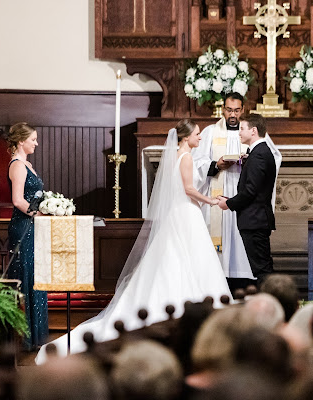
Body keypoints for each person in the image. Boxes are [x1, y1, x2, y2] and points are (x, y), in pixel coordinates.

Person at [36, 119, 232, 363]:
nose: (200, 138)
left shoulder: (176, 156)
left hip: (180, 213)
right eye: (197, 134)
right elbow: (188, 189)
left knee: (175, 259)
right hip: (186, 213)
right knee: (187, 258)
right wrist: (211, 200)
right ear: (185, 137)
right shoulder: (187, 157)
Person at [193, 93, 281, 287]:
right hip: (221, 188)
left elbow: (273, 158)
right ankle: (220, 278)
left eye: (236, 110)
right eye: (229, 110)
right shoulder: (210, 132)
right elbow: (196, 162)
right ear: (223, 109)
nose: (232, 114)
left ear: (243, 110)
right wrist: (217, 164)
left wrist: (248, 161)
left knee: (255, 256)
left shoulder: (256, 135)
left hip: (245, 200)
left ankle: (246, 279)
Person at [218, 113, 278, 285]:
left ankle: (270, 306)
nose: (239, 132)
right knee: (261, 267)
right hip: (255, 218)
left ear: (253, 131)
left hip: (255, 220)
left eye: (242, 128)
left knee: (262, 270)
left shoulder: (259, 154)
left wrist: (228, 204)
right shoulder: (258, 152)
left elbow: (251, 191)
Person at [6, 122, 48, 350]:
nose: (36, 143)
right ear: (21, 141)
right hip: (23, 226)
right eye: (33, 139)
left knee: (35, 276)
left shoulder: (27, 164)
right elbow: (17, 200)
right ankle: (25, 339)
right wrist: (40, 213)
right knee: (26, 276)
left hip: (32, 225)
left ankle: (37, 336)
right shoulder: (17, 166)